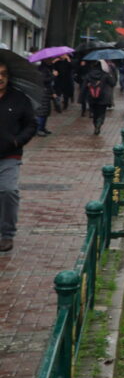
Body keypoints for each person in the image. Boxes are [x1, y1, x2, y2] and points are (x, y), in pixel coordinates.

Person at [0, 61, 38, 252]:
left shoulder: (19, 99)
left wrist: (18, 141)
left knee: (8, 191)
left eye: (3, 74)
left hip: (9, 155)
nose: (0, 78)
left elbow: (31, 124)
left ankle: (7, 234)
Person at [84, 63, 116, 135]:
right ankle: (99, 123)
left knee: (95, 113)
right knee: (102, 112)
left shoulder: (89, 75)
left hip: (92, 97)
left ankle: (96, 124)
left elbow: (84, 86)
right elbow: (113, 83)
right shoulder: (105, 74)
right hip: (103, 97)